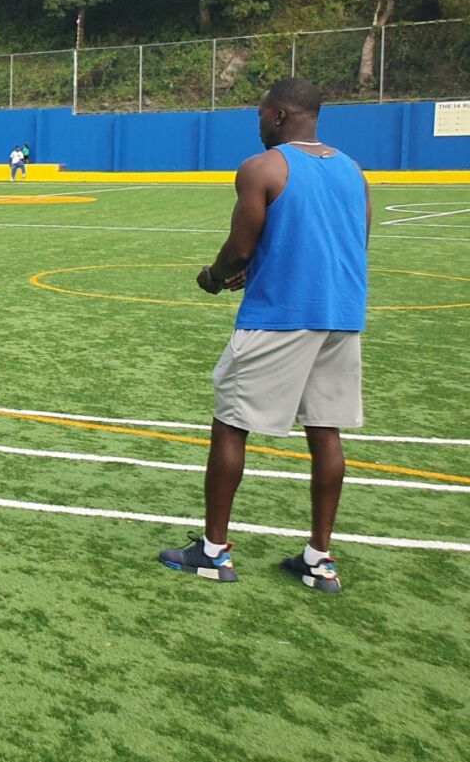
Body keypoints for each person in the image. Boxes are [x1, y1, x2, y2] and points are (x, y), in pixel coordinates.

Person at [160, 78, 369, 594]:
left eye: (259, 116)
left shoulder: (263, 168)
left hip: (280, 316)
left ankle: (211, 553)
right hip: (341, 315)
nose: (257, 126)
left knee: (231, 423)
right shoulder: (353, 170)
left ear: (277, 115)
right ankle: (318, 560)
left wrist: (212, 277)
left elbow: (239, 248)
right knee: (326, 430)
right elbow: (352, 242)